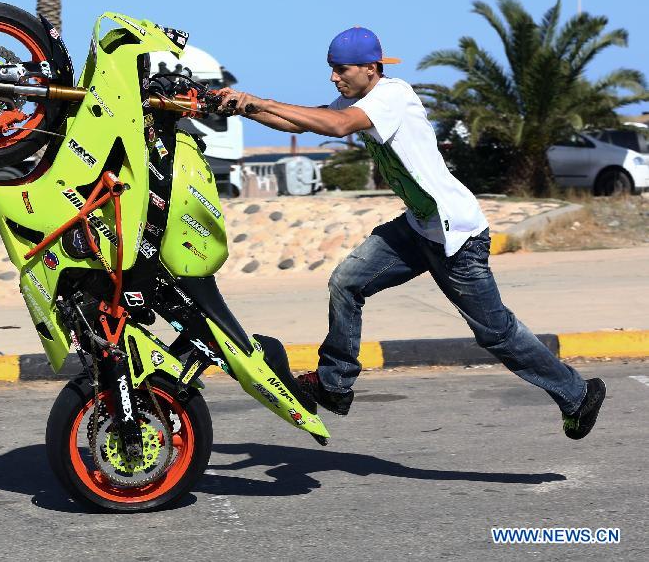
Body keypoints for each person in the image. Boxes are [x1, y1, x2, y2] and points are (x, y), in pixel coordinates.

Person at [215, 26, 605, 440]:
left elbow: (337, 126)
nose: (334, 78)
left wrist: (263, 100)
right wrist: (242, 107)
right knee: (346, 282)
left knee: (497, 334)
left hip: (458, 238)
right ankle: (334, 384)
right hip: (419, 229)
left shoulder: (392, 95)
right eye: (331, 70)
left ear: (370, 68)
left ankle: (577, 394)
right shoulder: (359, 98)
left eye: (340, 70)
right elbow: (300, 124)